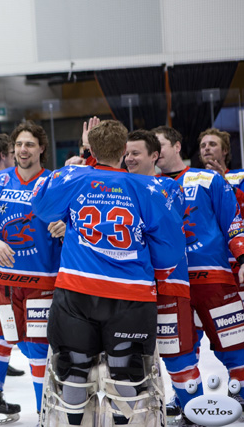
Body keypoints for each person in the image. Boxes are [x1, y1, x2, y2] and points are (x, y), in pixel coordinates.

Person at [32, 120, 186, 426]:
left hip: (76, 292)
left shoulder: (72, 177)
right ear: (124, 151)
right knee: (126, 373)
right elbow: (169, 250)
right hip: (131, 296)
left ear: (91, 148)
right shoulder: (149, 187)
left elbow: (43, 208)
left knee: (74, 373)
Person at [0, 121, 64, 421]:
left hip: (41, 282)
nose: (23, 150)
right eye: (19, 145)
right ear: (12, 149)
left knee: (37, 348)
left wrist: (67, 226)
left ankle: (42, 411)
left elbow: (81, 218)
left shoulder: (56, 182)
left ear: (41, 149)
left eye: (30, 144)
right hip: (1, 282)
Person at [153, 125, 244, 412]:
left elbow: (234, 222)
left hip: (212, 276)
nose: (155, 153)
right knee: (178, 348)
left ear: (177, 146)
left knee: (234, 341)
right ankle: (188, 401)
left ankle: (241, 392)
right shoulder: (148, 186)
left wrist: (242, 259)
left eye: (160, 146)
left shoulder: (206, 179)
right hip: (169, 282)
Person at [124, 130, 201, 426]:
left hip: (168, 285)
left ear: (154, 156)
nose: (129, 158)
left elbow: (166, 243)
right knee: (133, 357)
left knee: (177, 354)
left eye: (136, 153)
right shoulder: (120, 186)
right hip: (132, 289)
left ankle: (195, 413)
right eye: (126, 153)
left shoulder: (167, 188)